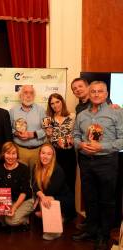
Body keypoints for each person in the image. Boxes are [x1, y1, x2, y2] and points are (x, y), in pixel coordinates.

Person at [72, 81, 123, 250]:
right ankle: (91, 230)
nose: (95, 94)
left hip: (106, 161)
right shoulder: (82, 115)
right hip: (86, 162)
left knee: (106, 200)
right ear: (89, 92)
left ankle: (103, 234)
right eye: (92, 91)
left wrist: (102, 146)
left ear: (106, 94)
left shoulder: (117, 112)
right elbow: (76, 135)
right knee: (90, 198)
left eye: (99, 91)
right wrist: (80, 145)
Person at [33, 143, 75, 241]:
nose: (45, 156)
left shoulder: (57, 170)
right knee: (39, 211)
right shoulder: (36, 166)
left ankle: (55, 230)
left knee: (46, 201)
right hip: (47, 196)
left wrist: (42, 197)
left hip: (63, 198)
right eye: (43, 153)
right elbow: (34, 184)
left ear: (53, 156)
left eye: (49, 154)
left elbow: (51, 192)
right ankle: (58, 217)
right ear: (39, 154)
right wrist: (41, 195)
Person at [0, 142, 33, 231]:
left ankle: (25, 220)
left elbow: (24, 192)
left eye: (13, 153)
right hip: (7, 200)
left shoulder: (24, 169)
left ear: (17, 154)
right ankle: (6, 223)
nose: (10, 156)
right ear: (3, 154)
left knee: (11, 221)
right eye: (8, 153)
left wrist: (14, 208)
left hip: (24, 200)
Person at [45, 93, 77, 194]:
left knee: (70, 180)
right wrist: (49, 135)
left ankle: (68, 208)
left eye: (57, 102)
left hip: (69, 153)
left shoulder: (73, 116)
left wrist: (73, 140)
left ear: (62, 102)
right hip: (55, 154)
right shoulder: (48, 119)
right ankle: (56, 208)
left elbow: (78, 133)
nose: (55, 105)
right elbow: (49, 139)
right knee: (55, 181)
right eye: (52, 103)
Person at [9, 85, 46, 169]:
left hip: (37, 151)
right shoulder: (13, 111)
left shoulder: (41, 110)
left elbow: (46, 130)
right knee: (21, 178)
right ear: (20, 95)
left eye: (31, 93)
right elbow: (9, 129)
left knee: (36, 178)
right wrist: (17, 133)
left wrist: (33, 134)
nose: (28, 95)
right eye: (25, 93)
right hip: (19, 150)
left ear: (34, 96)